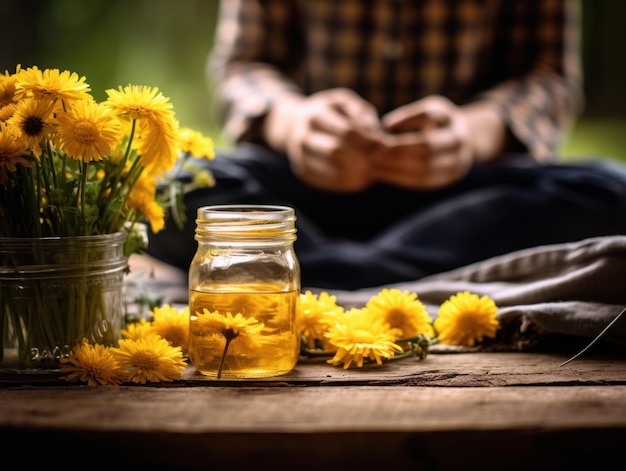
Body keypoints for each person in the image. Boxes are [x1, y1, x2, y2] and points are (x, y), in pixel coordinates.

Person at [147, 0, 626, 290]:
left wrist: (470, 135)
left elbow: (549, 77)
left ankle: (316, 274)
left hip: (467, 190)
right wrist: (295, 126)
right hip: (302, 191)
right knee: (165, 190)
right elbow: (242, 66)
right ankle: (430, 279)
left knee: (611, 192)